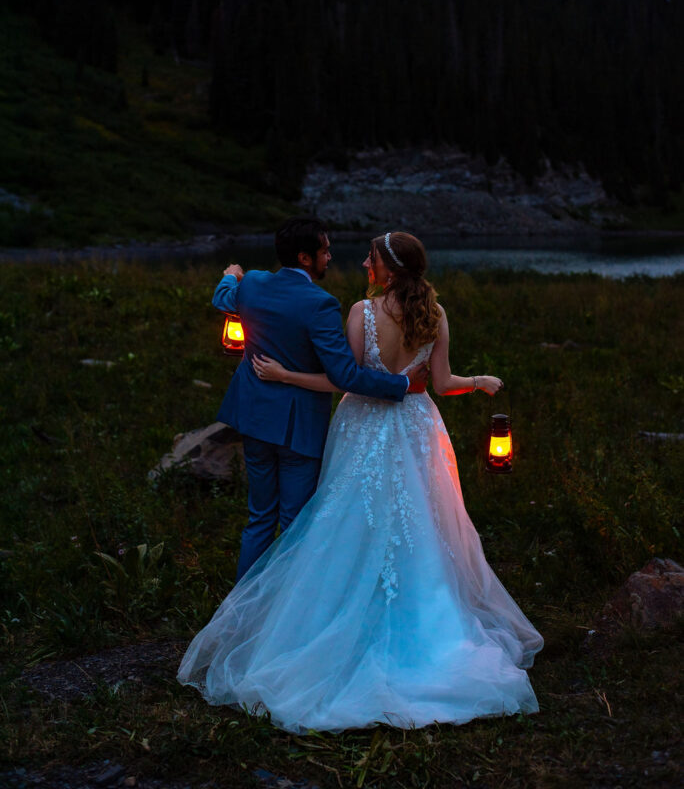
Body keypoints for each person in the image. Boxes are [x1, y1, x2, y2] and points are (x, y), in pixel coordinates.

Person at [178, 231, 543, 732]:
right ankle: (423, 623)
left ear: (387, 270)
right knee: (419, 528)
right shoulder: (435, 315)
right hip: (417, 426)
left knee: (343, 521)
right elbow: (440, 384)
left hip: (362, 425)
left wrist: (285, 375)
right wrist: (477, 382)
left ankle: (287, 620)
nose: (363, 262)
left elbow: (341, 378)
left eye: (371, 258)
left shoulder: (360, 313)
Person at [210, 217, 427, 581]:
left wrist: (231, 274)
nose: (330, 256)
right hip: (298, 429)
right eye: (325, 250)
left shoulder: (254, 285)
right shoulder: (320, 304)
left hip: (254, 418)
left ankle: (242, 609)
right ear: (305, 258)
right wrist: (401, 386)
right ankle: (288, 611)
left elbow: (222, 298)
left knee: (260, 517)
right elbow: (344, 376)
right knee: (295, 523)